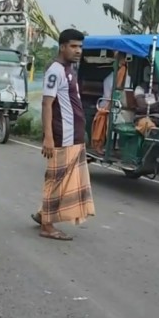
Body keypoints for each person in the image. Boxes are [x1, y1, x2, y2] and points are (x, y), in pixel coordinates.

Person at [31, 28, 95, 240]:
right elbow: (47, 104)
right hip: (63, 136)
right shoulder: (55, 71)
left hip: (74, 135)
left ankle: (43, 214)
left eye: (80, 47)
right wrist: (48, 137)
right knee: (56, 180)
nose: (78, 51)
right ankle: (47, 226)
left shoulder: (69, 69)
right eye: (73, 46)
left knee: (66, 180)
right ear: (62, 47)